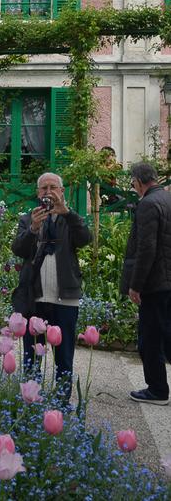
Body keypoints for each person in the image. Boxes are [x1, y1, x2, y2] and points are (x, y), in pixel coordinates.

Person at [11, 172, 92, 399]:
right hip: (34, 300)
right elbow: (18, 249)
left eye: (53, 187)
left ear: (61, 191)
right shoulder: (29, 219)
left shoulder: (70, 218)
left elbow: (85, 239)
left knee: (64, 357)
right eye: (43, 188)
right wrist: (33, 230)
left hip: (64, 299)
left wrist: (67, 212)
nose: (48, 192)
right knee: (31, 357)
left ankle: (62, 406)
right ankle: (30, 403)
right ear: (38, 193)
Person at [121, 162, 171, 405]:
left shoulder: (148, 204)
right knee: (168, 335)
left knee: (149, 339)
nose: (133, 187)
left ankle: (157, 390)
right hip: (168, 281)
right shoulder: (168, 199)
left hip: (155, 283)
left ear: (139, 182)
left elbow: (147, 249)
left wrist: (135, 285)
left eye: (133, 182)